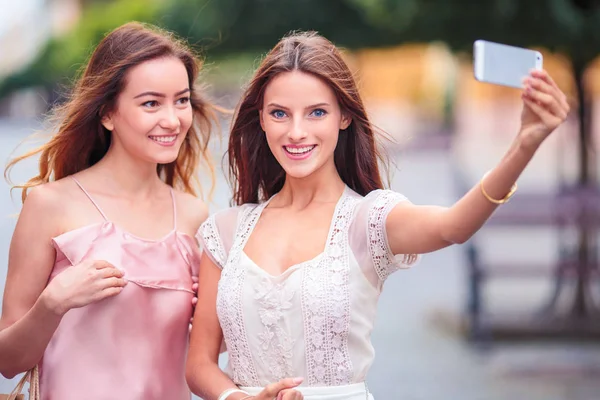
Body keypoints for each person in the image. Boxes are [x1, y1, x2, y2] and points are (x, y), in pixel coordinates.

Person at [186, 32, 569, 400]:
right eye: (280, 113)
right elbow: (200, 363)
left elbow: (454, 226)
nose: (296, 131)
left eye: (316, 112)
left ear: (344, 117)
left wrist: (524, 145)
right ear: (263, 120)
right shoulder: (227, 229)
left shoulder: (368, 220)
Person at [0, 22, 217, 399]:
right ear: (107, 114)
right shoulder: (50, 205)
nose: (173, 119)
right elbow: (8, 361)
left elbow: (202, 353)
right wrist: (53, 304)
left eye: (181, 100)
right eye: (151, 103)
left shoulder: (194, 216)